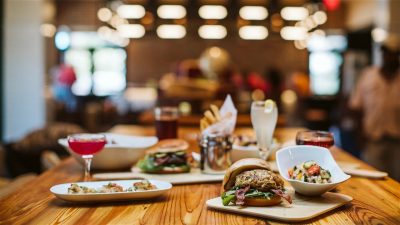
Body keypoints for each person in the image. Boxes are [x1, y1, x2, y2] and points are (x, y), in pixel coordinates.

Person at [349, 35, 400, 181]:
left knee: (396, 182)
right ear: (383, 55)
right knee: (372, 180)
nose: (390, 58)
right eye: (387, 53)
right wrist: (359, 135)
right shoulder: (368, 75)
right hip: (372, 140)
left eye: (394, 54)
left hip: (397, 141)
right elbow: (356, 107)